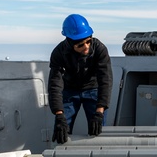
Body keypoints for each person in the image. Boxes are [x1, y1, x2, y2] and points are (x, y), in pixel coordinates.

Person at [48, 14, 113, 144]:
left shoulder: (100, 49)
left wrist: (100, 111)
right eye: (81, 45)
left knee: (98, 131)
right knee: (62, 131)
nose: (86, 47)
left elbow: (105, 80)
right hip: (70, 91)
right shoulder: (59, 53)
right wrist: (59, 114)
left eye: (88, 41)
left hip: (93, 89)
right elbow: (55, 84)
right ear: (70, 43)